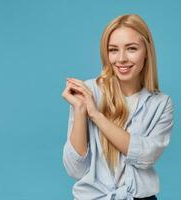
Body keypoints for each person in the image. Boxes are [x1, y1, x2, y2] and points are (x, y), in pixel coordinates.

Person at [61, 14, 174, 200]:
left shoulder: (160, 104)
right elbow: (75, 169)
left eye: (131, 49)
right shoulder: (88, 93)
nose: (121, 59)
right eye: (113, 50)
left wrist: (96, 115)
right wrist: (81, 110)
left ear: (147, 51)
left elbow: (146, 156)